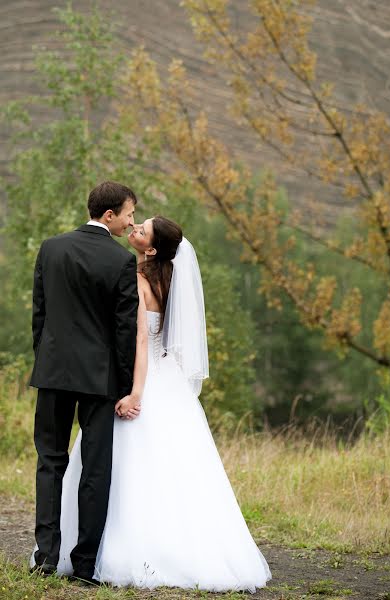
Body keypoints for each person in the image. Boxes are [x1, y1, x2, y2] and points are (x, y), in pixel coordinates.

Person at [55, 214, 272, 592]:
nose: (135, 229)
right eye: (137, 224)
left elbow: (140, 340)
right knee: (181, 469)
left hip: (147, 381)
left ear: (151, 248)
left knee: (124, 465)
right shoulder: (171, 280)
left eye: (143, 230)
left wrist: (136, 393)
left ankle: (125, 550)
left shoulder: (139, 281)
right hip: (171, 385)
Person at [29, 181, 139, 585]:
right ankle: (85, 567)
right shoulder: (120, 260)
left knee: (50, 462)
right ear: (108, 215)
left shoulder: (51, 248)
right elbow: (124, 329)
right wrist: (126, 385)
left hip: (53, 372)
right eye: (129, 213)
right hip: (99, 378)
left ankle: (45, 558)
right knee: (95, 470)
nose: (131, 221)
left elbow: (39, 315)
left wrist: (46, 359)